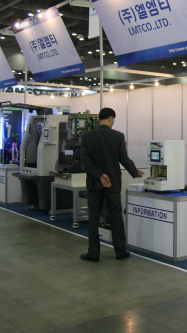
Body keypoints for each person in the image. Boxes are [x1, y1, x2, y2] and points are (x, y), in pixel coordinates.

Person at [80, 108, 144, 262]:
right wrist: (134, 171)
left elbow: (86, 160)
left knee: (94, 218)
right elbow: (124, 158)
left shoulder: (87, 136)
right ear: (110, 118)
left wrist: (99, 175)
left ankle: (93, 253)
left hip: (95, 183)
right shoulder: (118, 136)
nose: (113, 122)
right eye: (113, 119)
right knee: (116, 216)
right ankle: (120, 251)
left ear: (99, 119)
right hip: (113, 183)